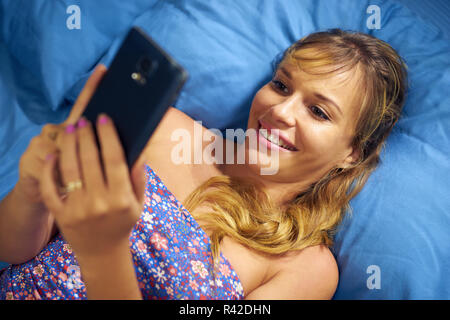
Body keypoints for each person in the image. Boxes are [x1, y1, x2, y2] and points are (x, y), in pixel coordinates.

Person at [0, 29, 407, 300]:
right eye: (281, 85)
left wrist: (102, 252)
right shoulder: (167, 132)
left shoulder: (306, 269)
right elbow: (13, 248)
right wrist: (32, 190)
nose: (280, 110)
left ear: (353, 152)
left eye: (318, 112)